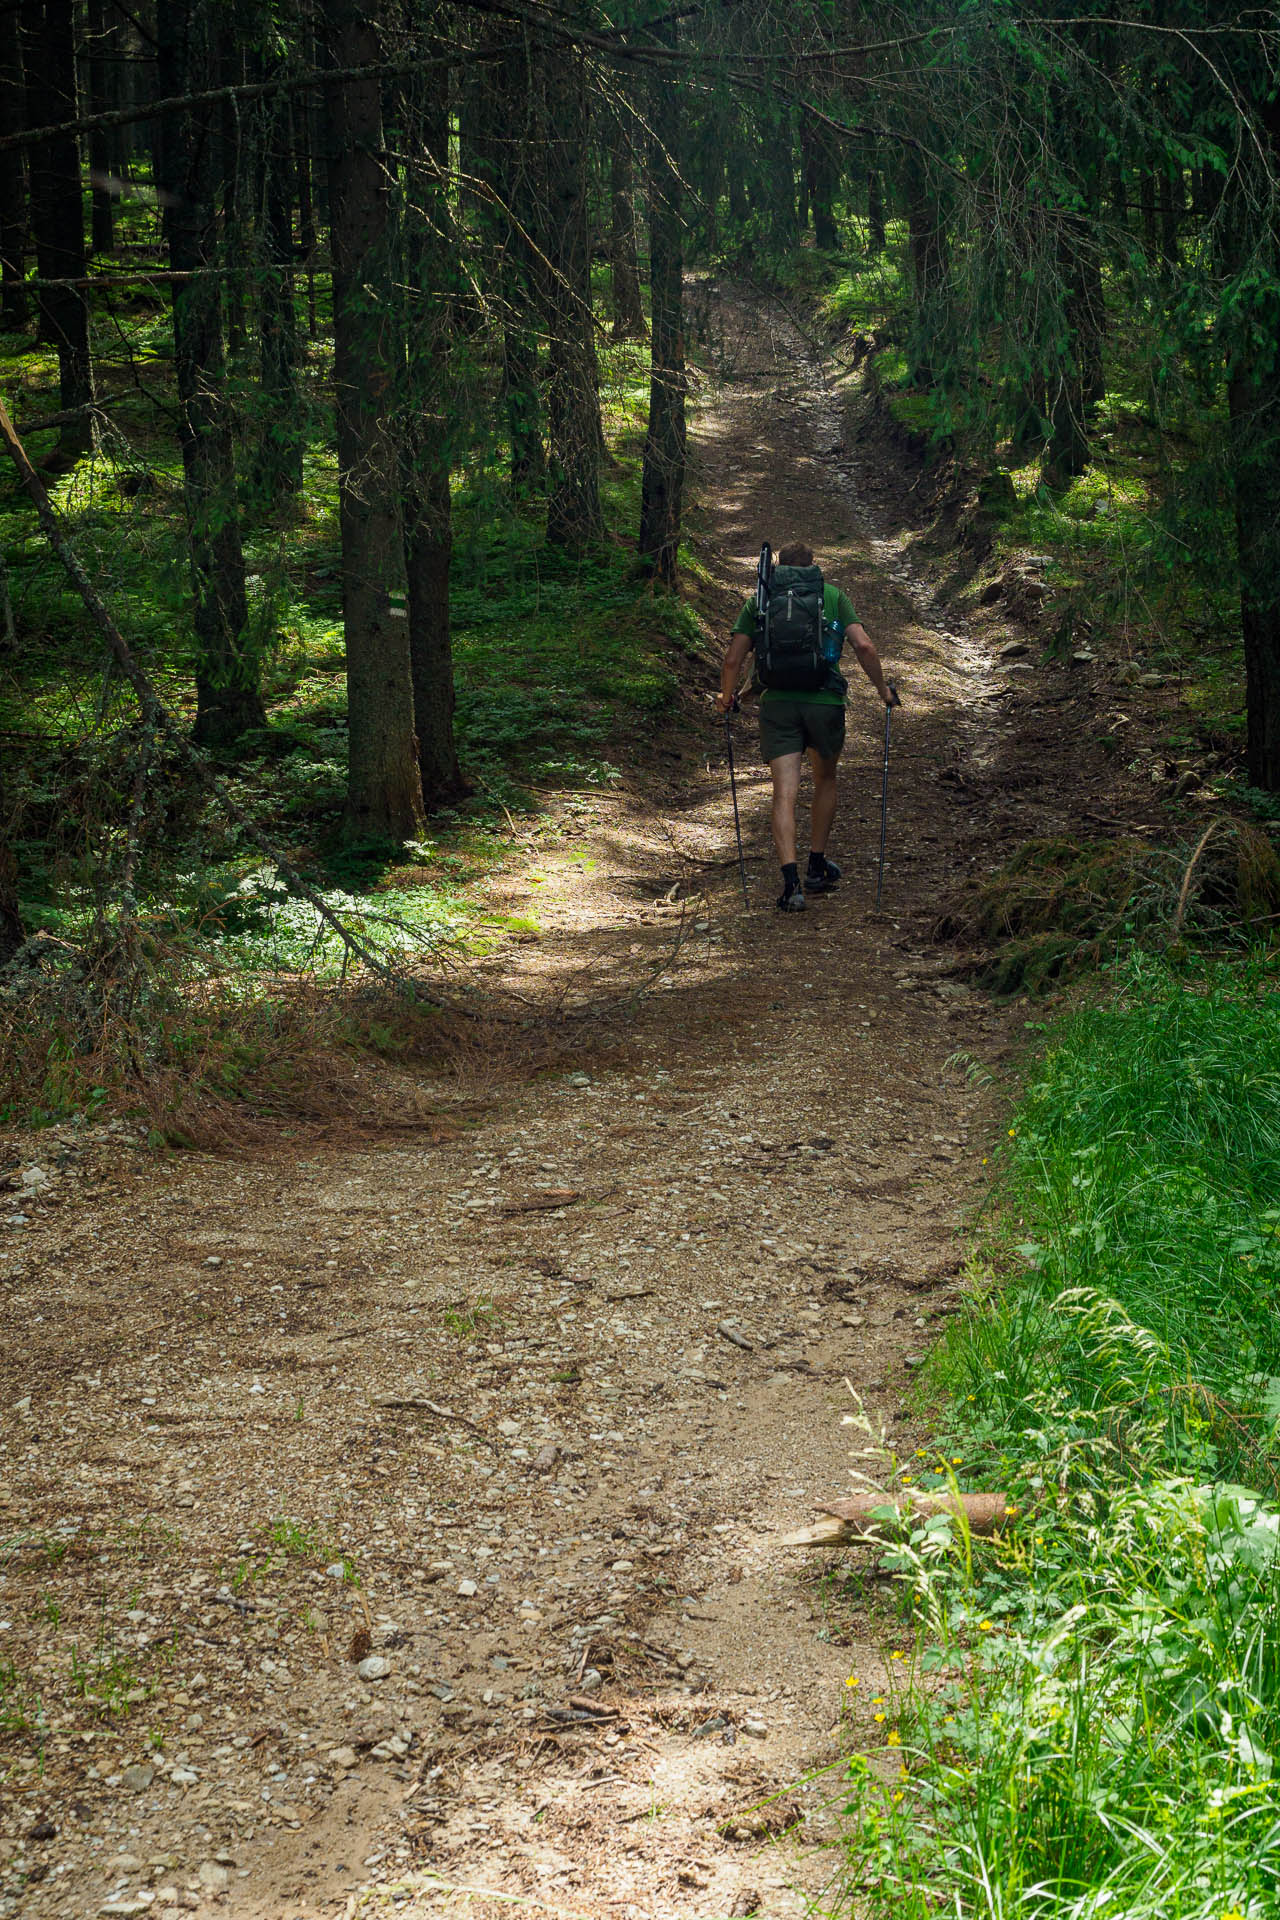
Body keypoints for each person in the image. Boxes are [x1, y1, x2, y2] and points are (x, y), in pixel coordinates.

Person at [716, 541, 894, 911]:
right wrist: (883, 691)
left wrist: (727, 697)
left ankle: (790, 882)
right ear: (813, 566)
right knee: (825, 779)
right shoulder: (832, 596)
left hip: (778, 704)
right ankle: (816, 863)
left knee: (784, 793)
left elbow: (733, 657)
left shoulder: (760, 602)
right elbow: (864, 647)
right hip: (824, 703)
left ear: (778, 567)